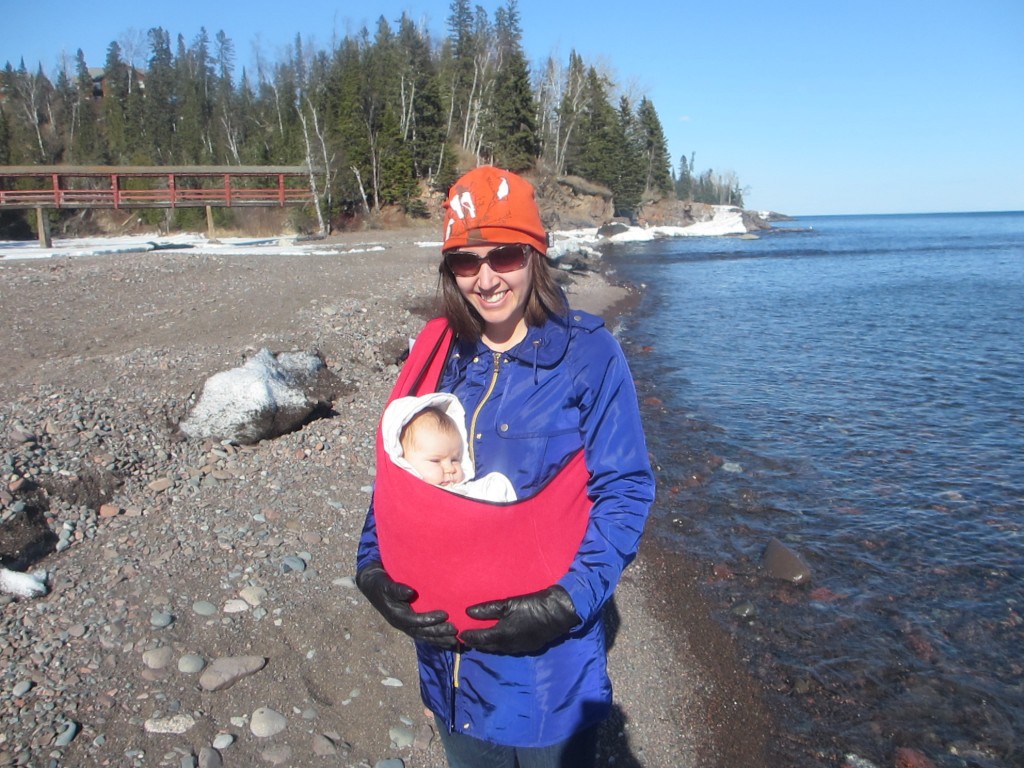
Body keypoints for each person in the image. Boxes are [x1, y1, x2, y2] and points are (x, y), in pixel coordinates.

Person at [356, 165, 655, 768]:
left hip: (550, 675)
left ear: (535, 257)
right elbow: (398, 473)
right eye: (467, 261)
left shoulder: (588, 353)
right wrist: (371, 564)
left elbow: (625, 489)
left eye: (507, 255)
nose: (487, 278)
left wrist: (567, 604)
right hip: (452, 667)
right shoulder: (437, 353)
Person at [382, 391, 517, 502]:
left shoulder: (466, 491)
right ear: (403, 458)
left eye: (455, 460)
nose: (450, 469)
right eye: (435, 460)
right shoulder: (401, 496)